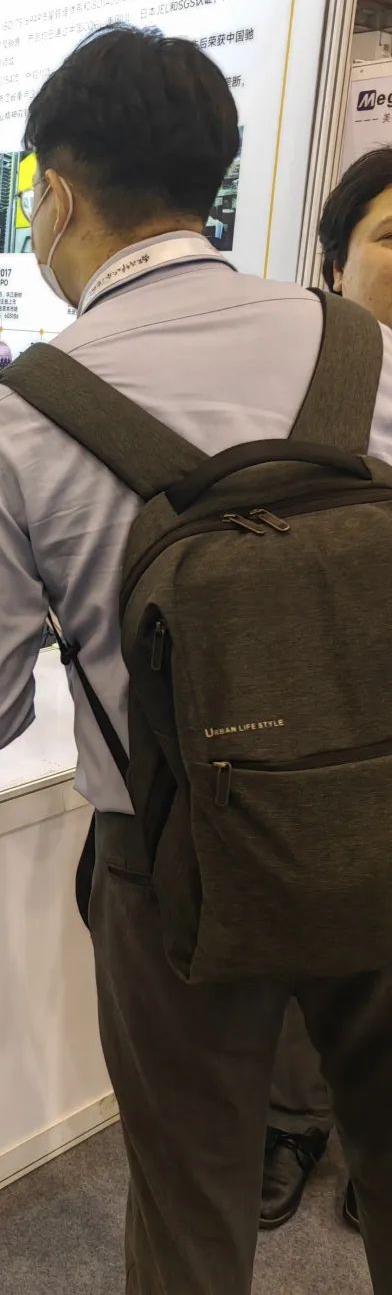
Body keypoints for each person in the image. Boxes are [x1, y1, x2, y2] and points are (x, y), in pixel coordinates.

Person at [0, 24, 392, 1294]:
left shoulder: (15, 419)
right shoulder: (365, 352)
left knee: (190, 1208)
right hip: (380, 814)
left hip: (168, 861)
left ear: (58, 196)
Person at [261, 144, 392, 1235]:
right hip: (325, 704)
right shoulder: (293, 371)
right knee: (317, 924)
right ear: (335, 262)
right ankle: (296, 1118)